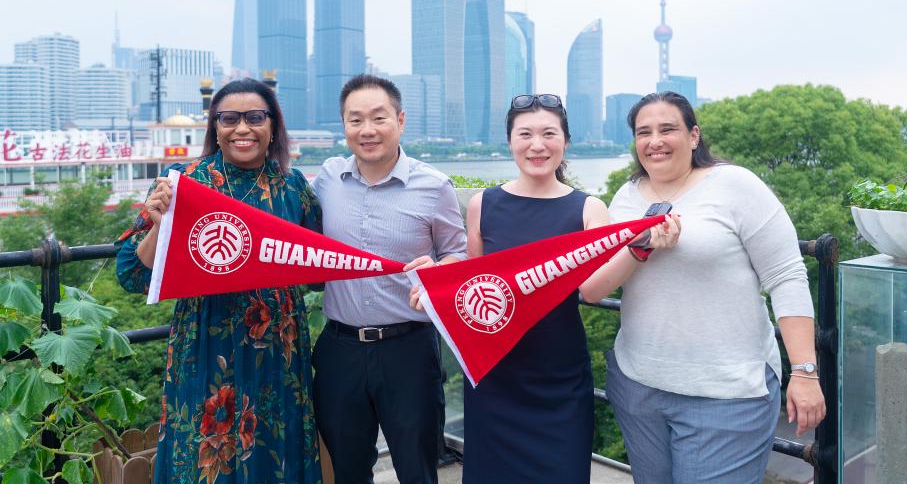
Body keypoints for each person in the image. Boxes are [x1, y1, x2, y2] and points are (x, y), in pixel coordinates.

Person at [579, 91, 827, 484]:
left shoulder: (735, 185)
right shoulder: (627, 196)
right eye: (643, 132)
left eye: (667, 129)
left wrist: (805, 372)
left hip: (728, 394)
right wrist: (639, 250)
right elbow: (593, 288)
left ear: (693, 136)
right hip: (639, 387)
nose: (654, 141)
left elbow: (787, 275)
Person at [423, 94, 669, 483]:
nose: (537, 145)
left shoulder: (589, 209)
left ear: (565, 142)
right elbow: (475, 287)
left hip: (559, 378)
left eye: (548, 134)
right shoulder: (483, 205)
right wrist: (434, 282)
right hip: (493, 375)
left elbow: (591, 290)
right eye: (525, 134)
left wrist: (637, 251)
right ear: (510, 141)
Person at [115, 78, 323, 484]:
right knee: (204, 459)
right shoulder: (183, 181)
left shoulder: (294, 186)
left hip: (278, 350)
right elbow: (131, 274)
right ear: (215, 127)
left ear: (273, 126)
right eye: (229, 119)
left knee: (276, 453)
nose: (242, 129)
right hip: (206, 346)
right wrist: (161, 225)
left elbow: (319, 268)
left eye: (255, 118)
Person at [310, 74, 467, 484]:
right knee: (346, 468)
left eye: (378, 118)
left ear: (400, 120)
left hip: (409, 350)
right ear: (343, 126)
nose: (367, 130)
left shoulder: (434, 186)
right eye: (355, 120)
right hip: (339, 348)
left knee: (417, 467)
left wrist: (440, 270)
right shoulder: (326, 179)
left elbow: (459, 252)